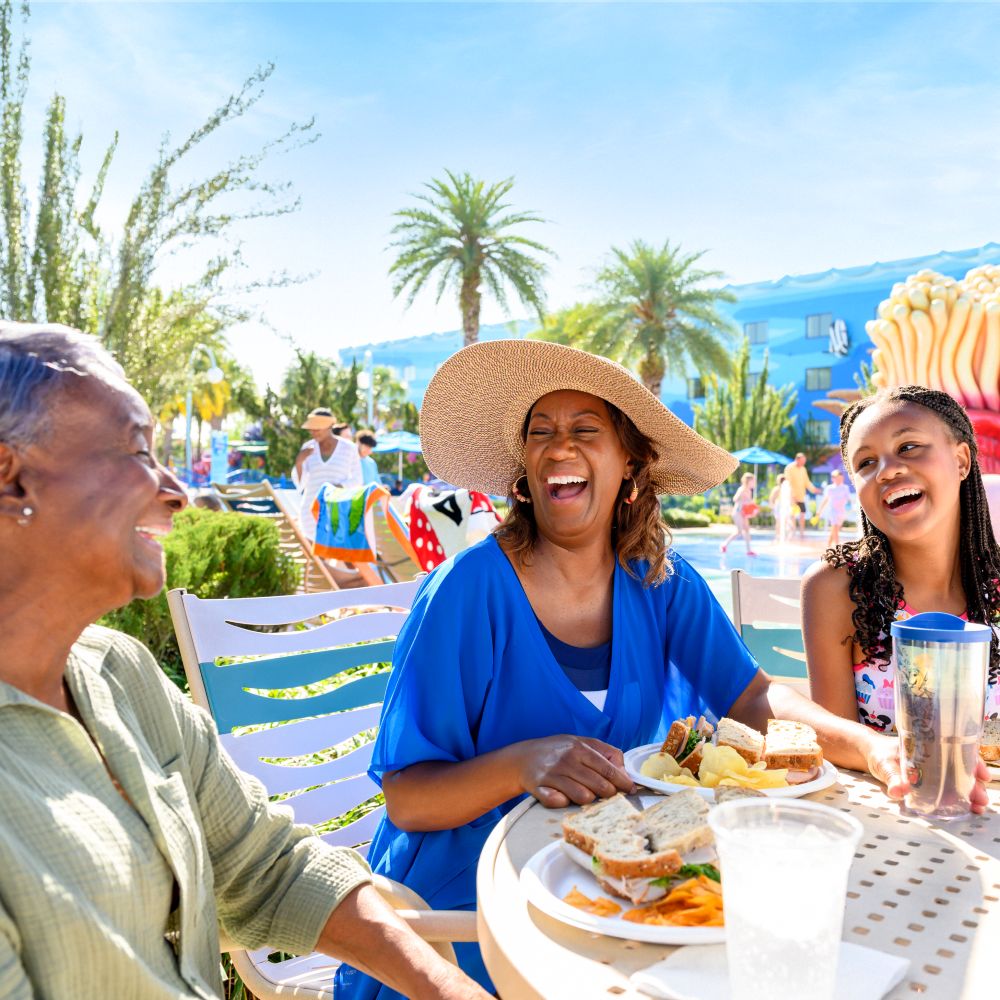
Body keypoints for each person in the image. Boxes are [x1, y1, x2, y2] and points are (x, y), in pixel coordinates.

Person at [335, 341, 966, 1000]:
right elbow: (407, 798)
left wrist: (874, 746)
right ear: (524, 469)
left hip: (611, 900)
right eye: (541, 434)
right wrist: (522, 762)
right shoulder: (468, 591)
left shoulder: (660, 580)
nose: (559, 448)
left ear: (629, 463)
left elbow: (751, 698)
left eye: (585, 431)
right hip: (460, 917)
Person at [0, 324, 487, 1000]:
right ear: (8, 473)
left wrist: (446, 986)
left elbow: (269, 867)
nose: (175, 491)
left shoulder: (121, 675)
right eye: (138, 450)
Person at [802, 385, 1000, 735]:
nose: (886, 471)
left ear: (961, 461)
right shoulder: (837, 588)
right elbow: (838, 743)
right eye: (865, 463)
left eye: (908, 447)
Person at [294, 408, 363, 541]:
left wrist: (339, 487)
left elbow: (357, 479)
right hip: (310, 510)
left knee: (336, 552)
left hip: (337, 509)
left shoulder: (349, 448)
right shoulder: (307, 448)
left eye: (317, 428)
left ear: (329, 426)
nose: (313, 432)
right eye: (311, 429)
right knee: (314, 556)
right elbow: (300, 484)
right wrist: (299, 461)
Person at [784, 451, 820, 538]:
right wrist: (792, 496)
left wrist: (813, 489)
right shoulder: (789, 468)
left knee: (802, 514)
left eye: (804, 461)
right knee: (792, 515)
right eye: (802, 461)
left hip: (801, 497)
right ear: (797, 459)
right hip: (792, 497)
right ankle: (791, 532)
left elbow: (806, 482)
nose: (804, 462)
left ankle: (801, 532)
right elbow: (787, 482)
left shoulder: (803, 469)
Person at [720, 471, 757, 556]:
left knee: (747, 530)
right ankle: (724, 544)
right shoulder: (742, 489)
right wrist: (742, 498)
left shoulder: (749, 491)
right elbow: (735, 499)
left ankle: (749, 550)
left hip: (744, 513)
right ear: (748, 481)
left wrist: (753, 508)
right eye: (753, 481)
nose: (754, 483)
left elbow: (749, 503)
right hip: (738, 512)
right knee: (739, 532)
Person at [814, 468, 852, 547]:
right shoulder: (830, 488)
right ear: (833, 479)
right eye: (836, 478)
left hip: (841, 511)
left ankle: (828, 545)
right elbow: (825, 500)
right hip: (833, 511)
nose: (839, 479)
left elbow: (849, 500)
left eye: (840, 478)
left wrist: (851, 506)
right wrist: (819, 510)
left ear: (842, 478)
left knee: (835, 531)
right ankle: (838, 548)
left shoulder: (845, 488)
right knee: (835, 529)